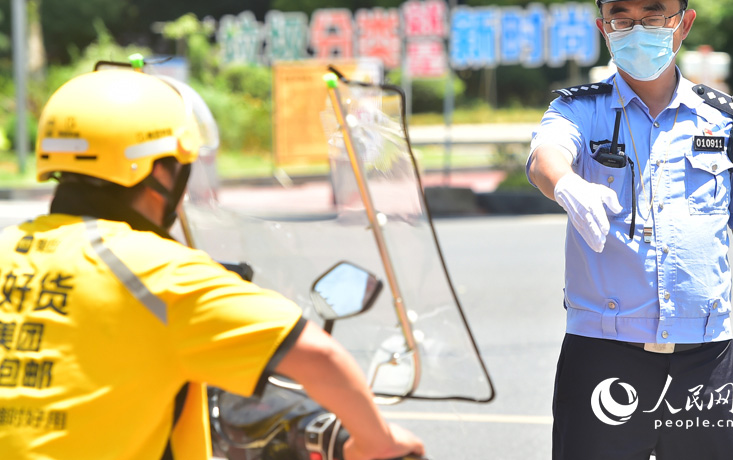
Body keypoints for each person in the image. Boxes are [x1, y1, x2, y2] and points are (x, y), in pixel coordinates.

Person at [0, 67, 424, 460]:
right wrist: (377, 442)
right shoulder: (157, 273)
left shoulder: (7, 249)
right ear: (162, 172)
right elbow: (318, 358)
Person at [527, 0, 733, 459]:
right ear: (604, 27)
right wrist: (568, 183)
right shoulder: (580, 109)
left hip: (705, 359)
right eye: (621, 16)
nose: (637, 28)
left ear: (683, 23)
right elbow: (544, 156)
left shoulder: (726, 119)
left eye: (655, 13)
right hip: (604, 357)